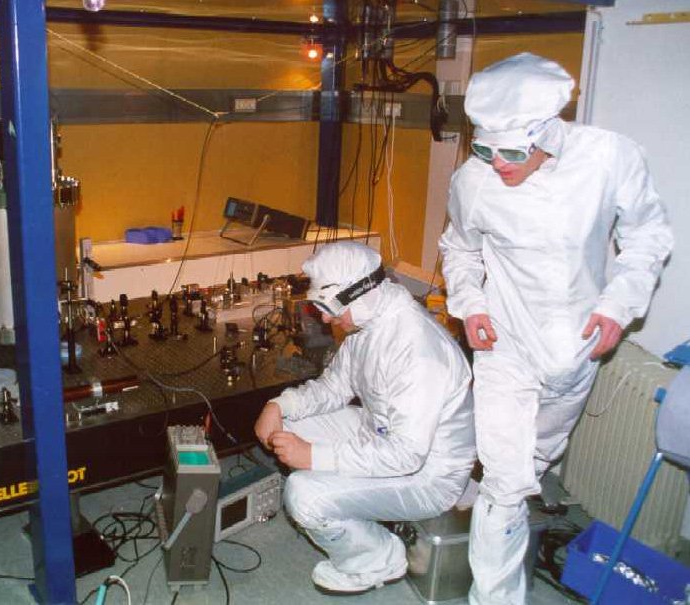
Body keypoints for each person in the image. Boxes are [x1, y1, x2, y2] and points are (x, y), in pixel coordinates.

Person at [438, 53, 673, 605]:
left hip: (575, 349)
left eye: (514, 152)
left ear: (550, 132)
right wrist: (471, 304)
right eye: (484, 149)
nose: (499, 165)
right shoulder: (473, 180)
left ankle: (510, 492)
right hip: (504, 344)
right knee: (503, 480)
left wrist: (619, 304)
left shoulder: (609, 157)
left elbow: (648, 236)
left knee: (534, 462)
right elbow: (459, 248)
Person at [253, 241, 476, 594]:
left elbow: (406, 455)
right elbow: (335, 386)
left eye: (327, 307)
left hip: (429, 473)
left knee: (304, 495)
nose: (324, 318)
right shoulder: (367, 324)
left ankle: (378, 560)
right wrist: (280, 405)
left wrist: (316, 456)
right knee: (289, 430)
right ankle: (362, 510)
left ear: (358, 293)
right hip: (380, 430)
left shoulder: (417, 349)